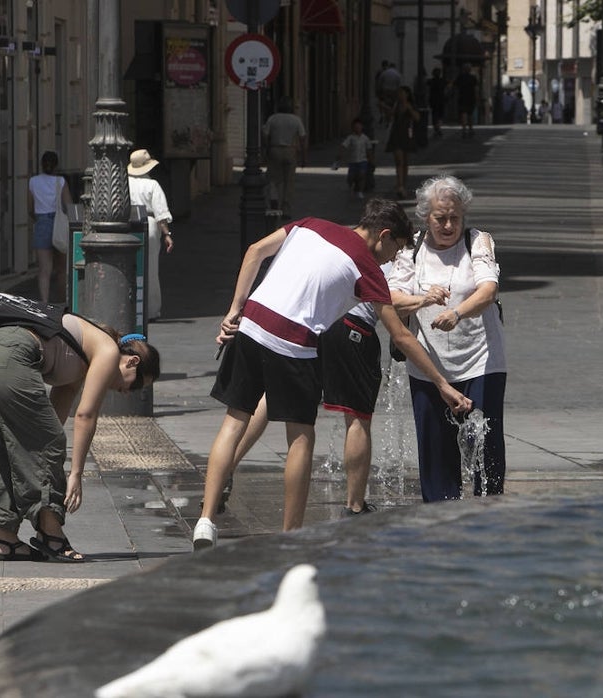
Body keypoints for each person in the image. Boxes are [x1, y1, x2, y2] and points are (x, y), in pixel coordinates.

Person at [193, 198, 472, 548]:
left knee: (234, 422)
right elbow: (399, 334)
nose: (391, 259)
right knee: (301, 437)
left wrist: (235, 310)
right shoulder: (367, 267)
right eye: (395, 250)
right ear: (383, 235)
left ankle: (204, 522)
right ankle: (291, 536)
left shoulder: (310, 224)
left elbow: (254, 252)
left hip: (250, 324)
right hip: (293, 341)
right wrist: (442, 383)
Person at [0, 313, 161, 563]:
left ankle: (6, 540)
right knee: (47, 446)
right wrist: (75, 474)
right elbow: (85, 415)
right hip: (9, 353)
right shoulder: (107, 351)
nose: (126, 392)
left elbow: (54, 418)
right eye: (135, 385)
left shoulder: (82, 353)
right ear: (132, 362)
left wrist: (40, 451)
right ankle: (51, 535)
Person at [386, 175, 507, 502]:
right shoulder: (411, 250)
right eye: (441, 218)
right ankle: (439, 521)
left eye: (455, 217)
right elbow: (392, 298)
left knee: (486, 448)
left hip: (482, 361)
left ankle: (489, 514)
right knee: (436, 452)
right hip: (427, 366)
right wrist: (424, 300)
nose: (449, 224)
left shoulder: (478, 242)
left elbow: (488, 289)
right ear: (426, 216)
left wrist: (456, 313)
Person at [227, 297, 387, 517]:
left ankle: (226, 468)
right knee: (357, 417)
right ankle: (355, 506)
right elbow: (392, 300)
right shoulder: (388, 262)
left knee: (271, 393)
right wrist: (422, 301)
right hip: (352, 326)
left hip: (312, 324)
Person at [126, 149, 174, 321]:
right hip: (149, 223)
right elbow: (160, 212)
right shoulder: (152, 185)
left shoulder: (124, 183)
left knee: (129, 266)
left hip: (128, 224)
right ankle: (151, 310)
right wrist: (167, 234)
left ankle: (129, 306)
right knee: (151, 268)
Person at [28, 151, 71, 303]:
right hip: (58, 223)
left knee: (44, 270)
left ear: (41, 164)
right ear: (56, 166)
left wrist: (38, 219)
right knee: (61, 269)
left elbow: (30, 208)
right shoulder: (61, 181)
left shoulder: (33, 181)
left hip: (41, 223)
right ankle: (61, 301)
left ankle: (44, 302)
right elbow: (68, 205)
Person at [262, 95, 307, 218]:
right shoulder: (296, 120)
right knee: (289, 181)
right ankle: (286, 209)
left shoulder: (273, 118)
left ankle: (273, 199)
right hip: (290, 151)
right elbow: (302, 138)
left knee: (273, 178)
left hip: (275, 149)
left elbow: (265, 135)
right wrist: (303, 156)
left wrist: (266, 149)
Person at [385, 86, 419, 200]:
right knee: (399, 161)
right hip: (396, 134)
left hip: (407, 135)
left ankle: (403, 184)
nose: (401, 95)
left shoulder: (410, 105)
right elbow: (389, 118)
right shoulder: (396, 105)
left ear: (407, 95)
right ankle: (399, 185)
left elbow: (417, 118)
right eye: (399, 93)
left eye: (403, 93)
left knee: (405, 162)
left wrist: (409, 108)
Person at [335, 117, 374, 200]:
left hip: (363, 160)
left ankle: (360, 191)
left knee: (362, 175)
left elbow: (369, 149)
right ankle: (352, 186)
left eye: (359, 127)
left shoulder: (365, 138)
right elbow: (344, 146)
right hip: (352, 161)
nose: (357, 128)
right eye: (355, 127)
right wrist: (340, 154)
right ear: (353, 128)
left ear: (362, 127)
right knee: (351, 177)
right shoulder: (351, 138)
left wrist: (371, 159)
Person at [452, 63, 478, 139]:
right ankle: (471, 129)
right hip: (471, 98)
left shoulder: (460, 77)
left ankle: (464, 130)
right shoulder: (473, 78)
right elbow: (476, 89)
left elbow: (455, 87)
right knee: (470, 114)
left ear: (463, 69)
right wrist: (476, 98)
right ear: (470, 70)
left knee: (463, 113)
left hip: (462, 97)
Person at [427, 67, 446, 137]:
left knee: (434, 115)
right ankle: (439, 128)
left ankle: (436, 129)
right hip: (441, 100)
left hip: (433, 100)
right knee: (440, 115)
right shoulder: (443, 81)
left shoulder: (430, 81)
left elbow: (427, 91)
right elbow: (448, 87)